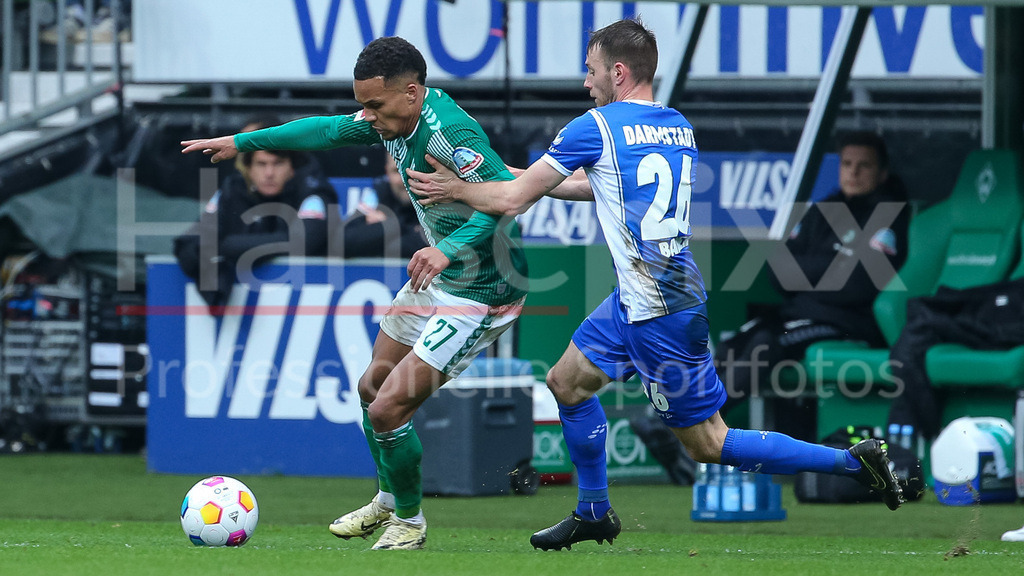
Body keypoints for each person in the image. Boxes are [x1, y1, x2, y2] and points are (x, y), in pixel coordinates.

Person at [407, 18, 905, 552]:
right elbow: (596, 183)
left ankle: (851, 463)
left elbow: (511, 202)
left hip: (658, 311)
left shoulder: (593, 126)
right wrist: (519, 173)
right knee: (566, 383)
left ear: (618, 72)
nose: (586, 83)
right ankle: (593, 510)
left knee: (709, 443)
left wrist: (459, 188)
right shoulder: (675, 126)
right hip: (642, 295)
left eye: (591, 70)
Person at [180, 36, 577, 550]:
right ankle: (388, 500)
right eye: (362, 103)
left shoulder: (449, 135)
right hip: (442, 276)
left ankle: (409, 523)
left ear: (411, 94)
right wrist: (246, 142)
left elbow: (506, 201)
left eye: (375, 105)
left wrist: (447, 248)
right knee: (373, 387)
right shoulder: (392, 118)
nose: (365, 116)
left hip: (485, 287)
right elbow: (325, 129)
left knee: (389, 408)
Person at [714, 131, 910, 439]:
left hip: (851, 324)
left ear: (882, 172)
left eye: (864, 166)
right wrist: (838, 264)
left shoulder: (889, 215)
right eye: (847, 164)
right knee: (731, 346)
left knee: (765, 344)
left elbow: (858, 286)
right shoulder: (825, 210)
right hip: (801, 315)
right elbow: (778, 273)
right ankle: (680, 425)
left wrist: (810, 272)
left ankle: (701, 427)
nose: (853, 172)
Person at [173, 141, 337, 309]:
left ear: (292, 167)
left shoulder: (311, 190)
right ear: (248, 168)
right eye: (261, 164)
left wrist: (226, 247)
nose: (269, 173)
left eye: (278, 164)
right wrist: (214, 274)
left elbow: (304, 241)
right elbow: (191, 241)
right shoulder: (233, 189)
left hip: (304, 301)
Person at [338, 152, 428, 258]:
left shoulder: (438, 198)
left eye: (412, 171)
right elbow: (342, 242)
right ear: (387, 172)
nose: (404, 180)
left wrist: (379, 235)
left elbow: (434, 244)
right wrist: (395, 225)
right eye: (397, 171)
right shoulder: (378, 194)